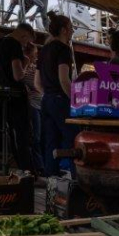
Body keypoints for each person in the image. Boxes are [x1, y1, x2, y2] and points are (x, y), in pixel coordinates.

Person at [0, 22, 35, 172]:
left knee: (9, 133)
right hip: (16, 95)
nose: (25, 45)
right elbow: (18, 75)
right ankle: (28, 171)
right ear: (24, 35)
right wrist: (26, 63)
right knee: (22, 135)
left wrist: (2, 77)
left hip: (2, 95)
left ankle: (19, 168)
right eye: (26, 41)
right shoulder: (14, 45)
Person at [38, 12, 77, 176]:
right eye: (71, 28)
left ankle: (51, 181)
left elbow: (36, 83)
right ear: (63, 30)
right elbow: (64, 79)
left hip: (46, 100)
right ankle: (77, 178)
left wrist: (48, 94)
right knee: (74, 139)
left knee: (51, 141)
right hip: (60, 100)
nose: (73, 32)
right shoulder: (64, 49)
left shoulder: (43, 50)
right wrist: (75, 100)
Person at [20, 41, 43, 175]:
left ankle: (40, 165)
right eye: (34, 53)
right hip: (34, 105)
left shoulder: (32, 68)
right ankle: (39, 167)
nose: (36, 55)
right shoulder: (28, 69)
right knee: (36, 137)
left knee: (39, 136)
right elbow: (35, 84)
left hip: (39, 104)